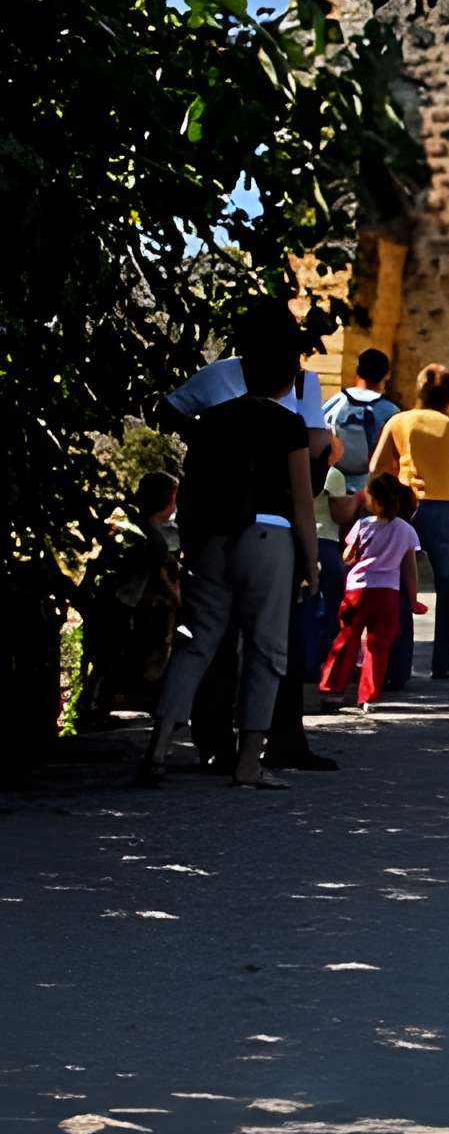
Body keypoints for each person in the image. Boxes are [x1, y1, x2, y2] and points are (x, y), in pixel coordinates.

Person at [140, 304, 317, 789]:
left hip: (212, 538)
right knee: (265, 650)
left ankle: (156, 748)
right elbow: (302, 502)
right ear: (286, 377)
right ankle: (248, 763)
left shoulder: (211, 423)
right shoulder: (287, 425)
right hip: (269, 537)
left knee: (197, 642)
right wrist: (313, 563)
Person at [368, 364, 449, 681]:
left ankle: (397, 662)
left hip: (406, 506)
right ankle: (444, 659)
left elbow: (377, 465)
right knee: (448, 585)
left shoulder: (399, 421)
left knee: (399, 582)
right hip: (446, 507)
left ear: (418, 391)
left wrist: (400, 477)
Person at [314, 353, 401, 709]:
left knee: (339, 580)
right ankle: (381, 673)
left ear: (356, 372)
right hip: (374, 495)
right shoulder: (391, 411)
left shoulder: (335, 403)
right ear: (386, 375)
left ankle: (331, 662)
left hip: (336, 496)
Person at [77, 471, 184, 722]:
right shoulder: (154, 537)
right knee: (110, 655)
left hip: (107, 598)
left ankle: (90, 705)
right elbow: (164, 574)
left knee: (102, 656)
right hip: (120, 601)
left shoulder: (130, 525)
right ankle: (95, 707)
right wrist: (180, 600)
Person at [318, 474, 425, 711]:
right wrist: (413, 597)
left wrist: (352, 558)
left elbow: (347, 556)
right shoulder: (406, 530)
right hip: (387, 592)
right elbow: (409, 569)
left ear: (375, 502)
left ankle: (332, 691)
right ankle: (368, 696)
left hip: (358, 589)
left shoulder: (362, 525)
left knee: (346, 639)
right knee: (378, 646)